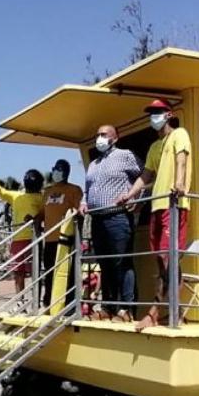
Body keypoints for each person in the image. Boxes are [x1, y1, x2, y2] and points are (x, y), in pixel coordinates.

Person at [118, 99, 192, 330]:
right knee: (161, 260)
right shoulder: (154, 146)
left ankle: (154, 312)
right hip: (156, 206)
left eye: (158, 112)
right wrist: (129, 195)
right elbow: (146, 175)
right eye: (151, 113)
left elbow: (182, 158)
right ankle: (176, 312)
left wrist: (179, 183)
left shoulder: (179, 134)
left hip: (174, 204)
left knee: (169, 259)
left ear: (168, 114)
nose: (154, 117)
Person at [80, 125, 141, 321]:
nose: (99, 138)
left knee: (121, 262)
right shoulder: (93, 163)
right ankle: (108, 306)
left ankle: (127, 309)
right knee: (105, 264)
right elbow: (87, 189)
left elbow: (146, 175)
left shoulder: (125, 155)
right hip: (97, 219)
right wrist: (83, 202)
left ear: (115, 138)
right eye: (97, 134)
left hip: (118, 216)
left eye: (103, 135)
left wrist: (137, 199)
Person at [0, 171, 45, 293]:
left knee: (34, 271)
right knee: (18, 272)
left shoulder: (41, 198)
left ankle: (36, 301)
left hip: (33, 239)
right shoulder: (17, 196)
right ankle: (21, 300)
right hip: (17, 239)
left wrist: (35, 219)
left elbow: (44, 214)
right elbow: (2, 193)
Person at [39, 159, 82, 311]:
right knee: (49, 272)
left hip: (66, 240)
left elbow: (78, 211)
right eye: (54, 168)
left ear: (65, 172)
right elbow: (42, 213)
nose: (55, 171)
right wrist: (34, 219)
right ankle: (48, 303)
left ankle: (69, 304)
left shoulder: (74, 190)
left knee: (67, 274)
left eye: (59, 169)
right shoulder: (47, 191)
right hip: (49, 239)